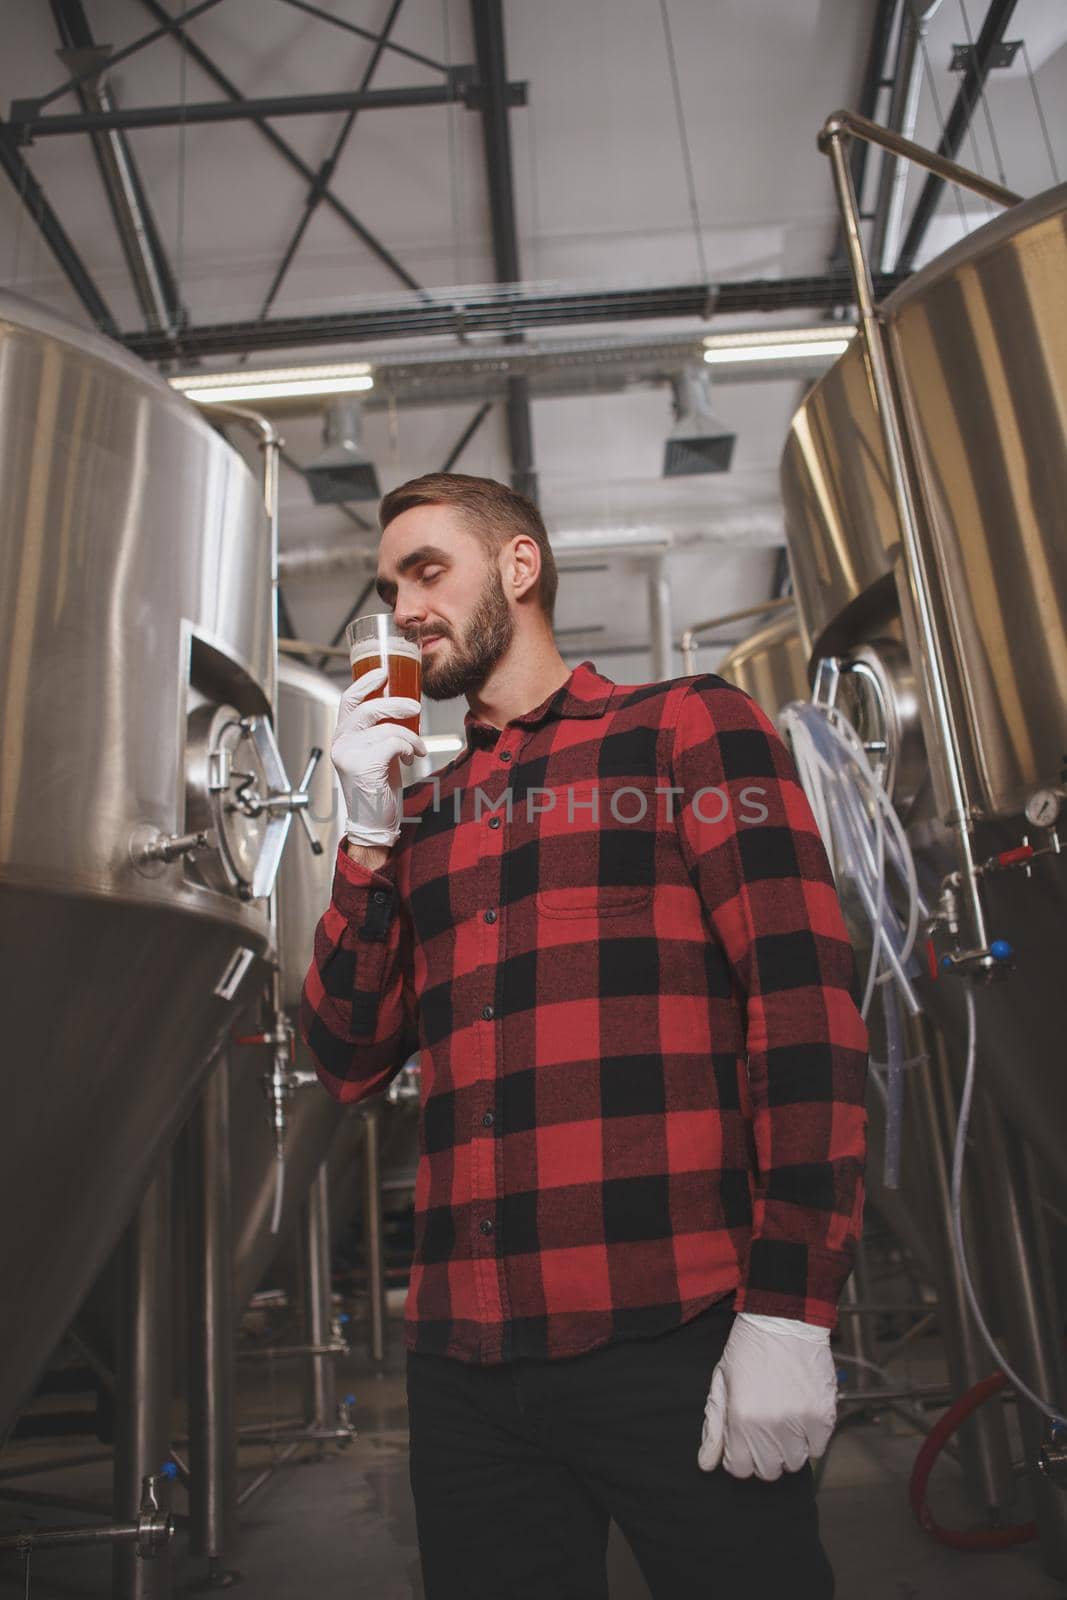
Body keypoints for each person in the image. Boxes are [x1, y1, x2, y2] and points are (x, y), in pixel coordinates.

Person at [301, 472, 868, 1599]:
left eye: (428, 571)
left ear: (519, 568)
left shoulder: (688, 729)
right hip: (465, 1367)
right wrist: (362, 838)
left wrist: (790, 1308)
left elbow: (802, 1016)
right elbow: (349, 1058)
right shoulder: (421, 814)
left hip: (676, 1332)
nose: (404, 608)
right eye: (387, 585)